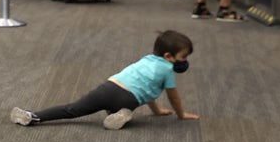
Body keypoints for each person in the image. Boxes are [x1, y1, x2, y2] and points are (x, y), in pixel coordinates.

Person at [10, 30, 198, 130]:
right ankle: (120, 114)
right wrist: (181, 114)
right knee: (121, 107)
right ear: (168, 56)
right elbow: (173, 97)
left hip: (109, 87)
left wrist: (157, 111)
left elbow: (146, 87)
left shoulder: (146, 59)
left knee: (72, 109)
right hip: (128, 99)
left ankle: (34, 116)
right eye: (183, 57)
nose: (184, 61)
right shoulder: (168, 70)